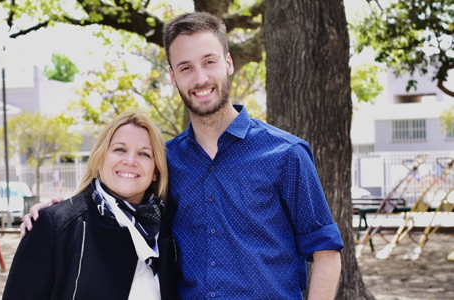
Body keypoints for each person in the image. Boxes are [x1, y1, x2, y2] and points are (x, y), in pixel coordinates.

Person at [23, 12, 343, 300]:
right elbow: (112, 205)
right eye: (186, 68)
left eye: (209, 62)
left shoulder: (286, 154)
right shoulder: (165, 162)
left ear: (228, 63)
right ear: (174, 77)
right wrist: (55, 215)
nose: (200, 78)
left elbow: (326, 252)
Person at [4, 112, 177, 300]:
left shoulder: (169, 232)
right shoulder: (56, 226)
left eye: (144, 154)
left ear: (155, 171)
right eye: (120, 149)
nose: (130, 161)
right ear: (99, 159)